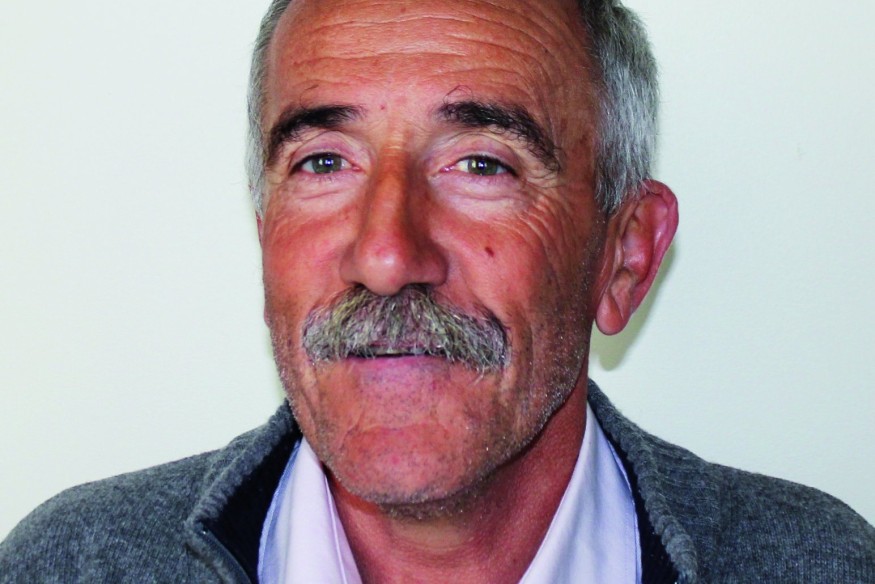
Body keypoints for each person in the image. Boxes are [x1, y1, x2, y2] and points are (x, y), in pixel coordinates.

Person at [1, 0, 872, 582]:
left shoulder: (820, 567)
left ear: (623, 257)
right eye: (323, 163)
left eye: (481, 164)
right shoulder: (68, 566)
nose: (386, 256)